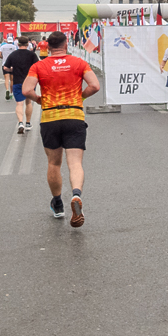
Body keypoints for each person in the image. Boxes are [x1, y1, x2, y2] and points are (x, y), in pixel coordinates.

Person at [23, 32, 101, 227]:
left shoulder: (38, 66)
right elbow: (95, 85)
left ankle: (58, 204)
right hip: (74, 116)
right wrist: (79, 98)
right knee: (74, 163)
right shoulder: (79, 62)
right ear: (66, 45)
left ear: (47, 47)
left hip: (50, 117)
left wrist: (39, 99)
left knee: (54, 163)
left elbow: (26, 90)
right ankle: (76, 194)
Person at [3, 36, 39, 134]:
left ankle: (20, 123)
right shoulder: (32, 55)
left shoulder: (13, 55)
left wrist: (12, 70)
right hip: (30, 82)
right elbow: (38, 67)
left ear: (18, 44)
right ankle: (28, 123)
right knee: (28, 103)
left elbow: (5, 67)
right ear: (28, 44)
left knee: (19, 103)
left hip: (17, 81)